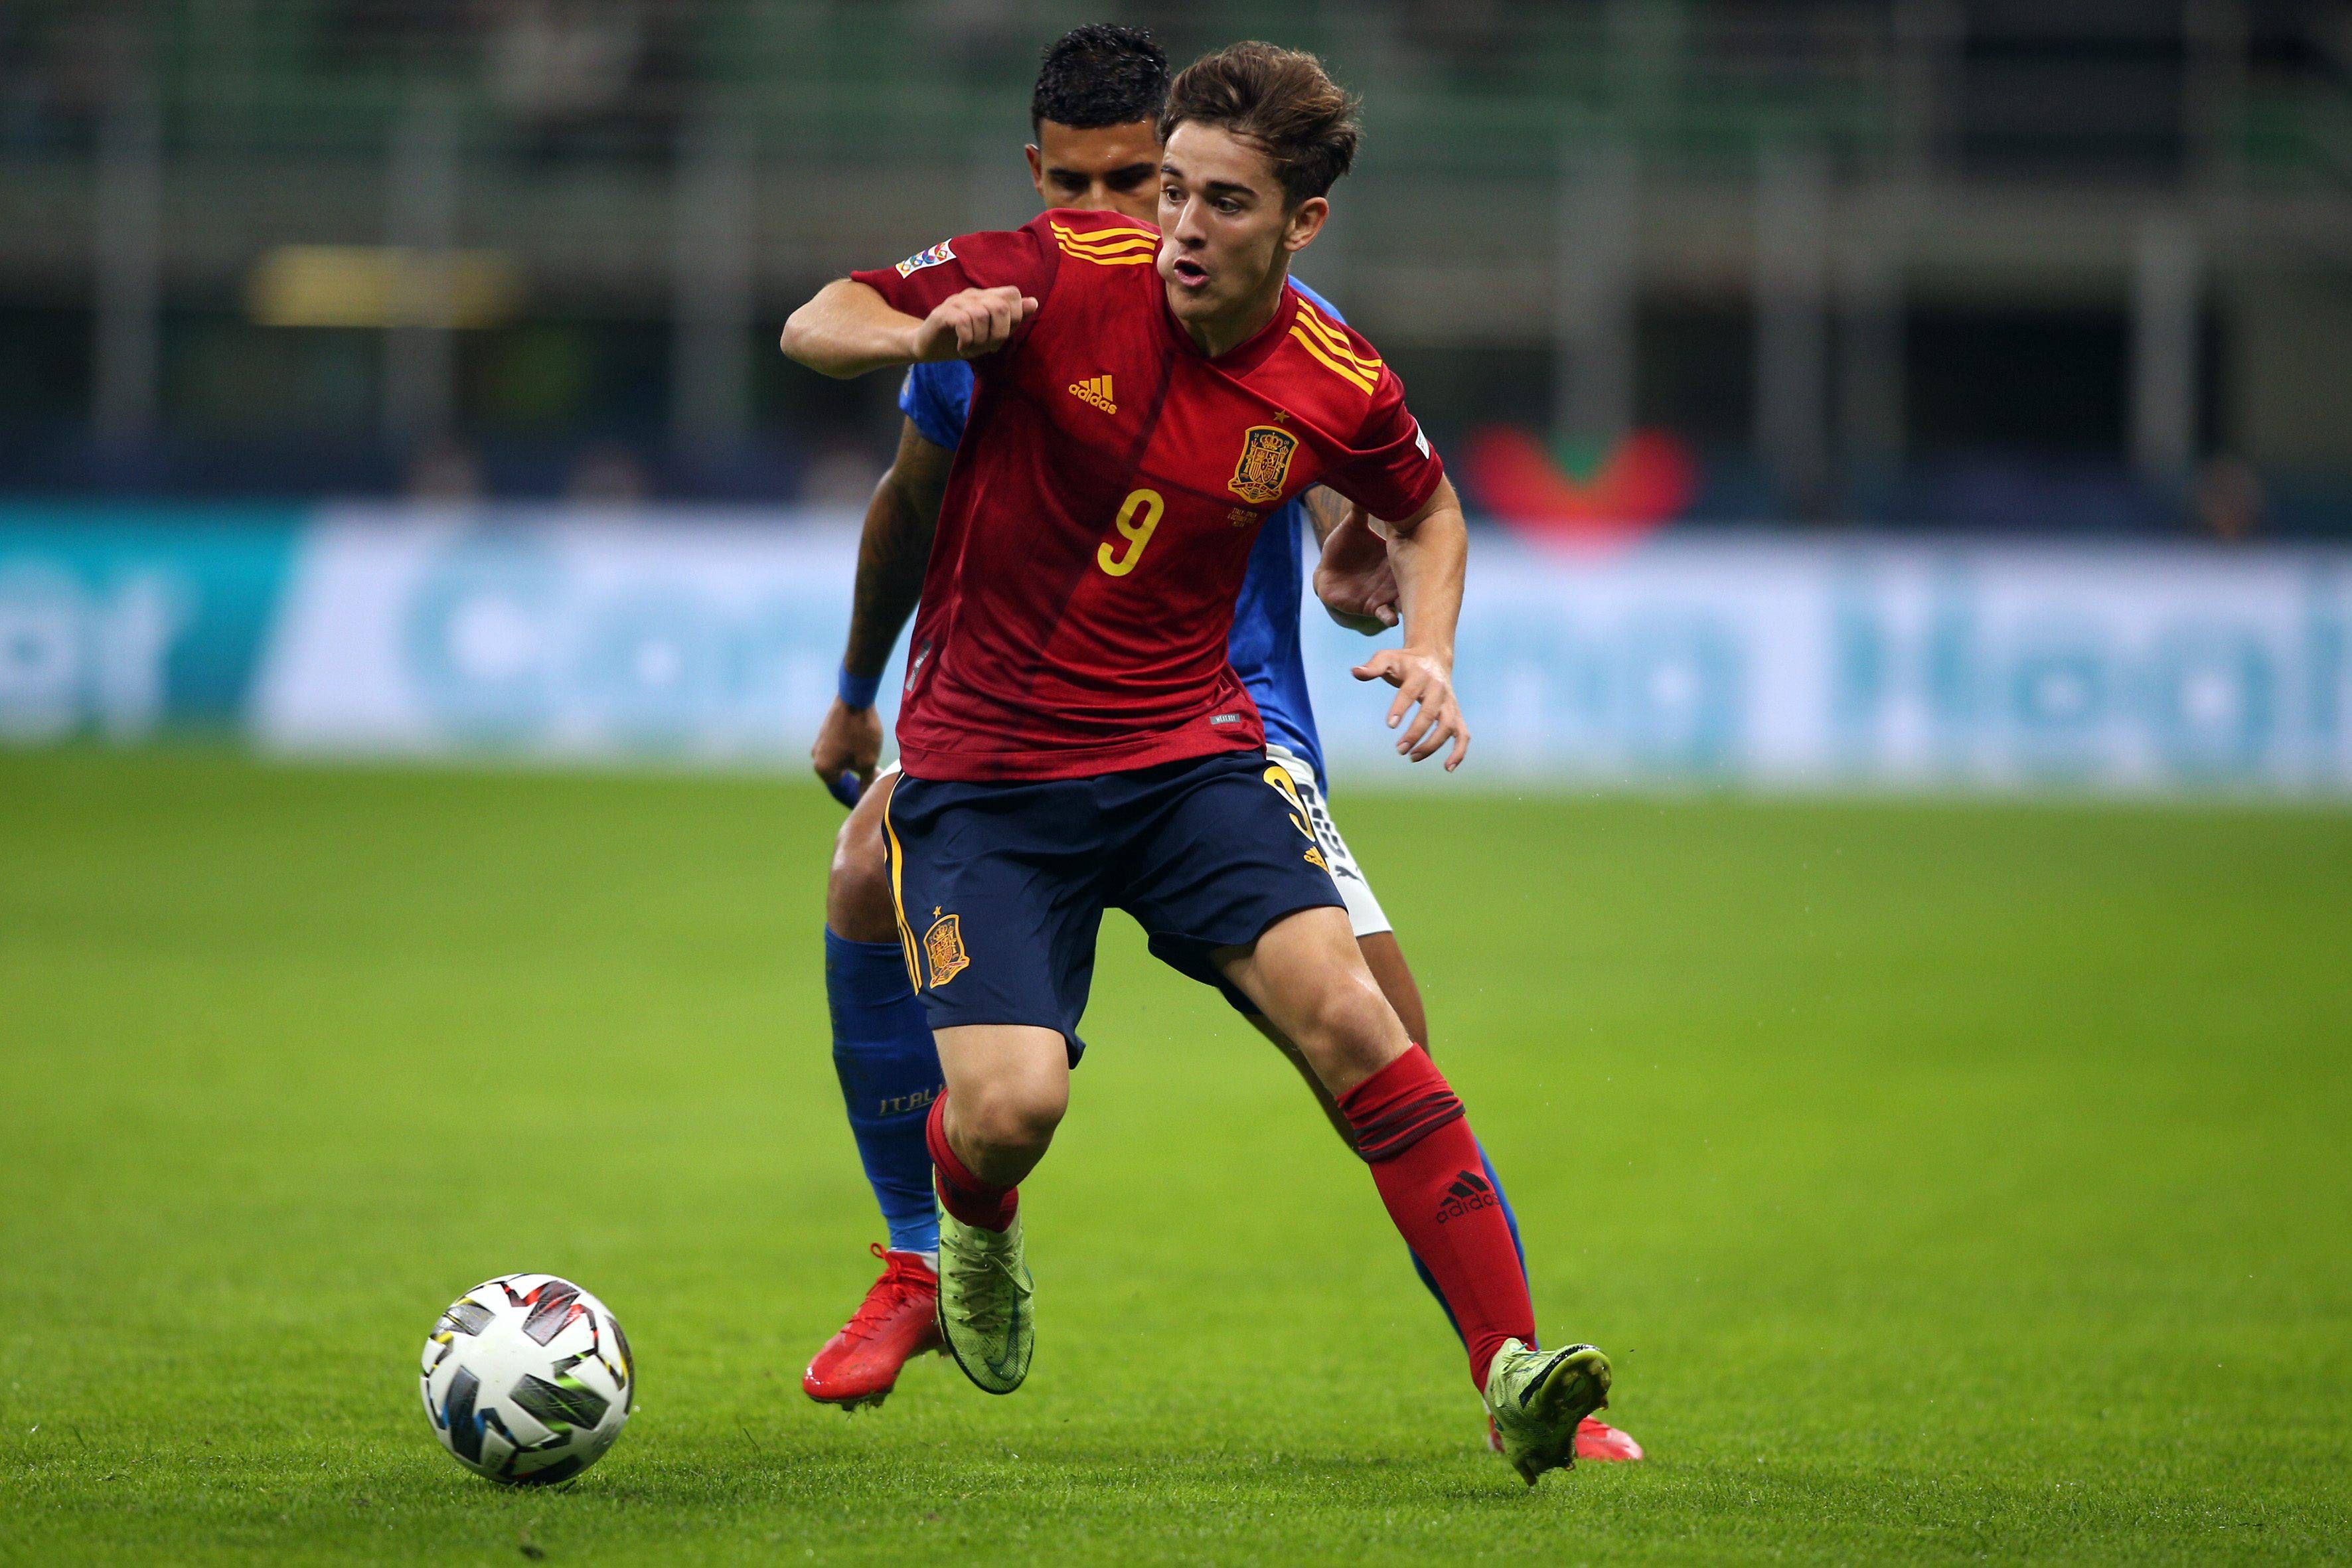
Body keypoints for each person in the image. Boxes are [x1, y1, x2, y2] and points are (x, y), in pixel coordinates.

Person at [787, 37, 1619, 1483]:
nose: (1172, 225)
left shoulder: (1330, 370)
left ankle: (1520, 1374)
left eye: (1215, 202)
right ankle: (952, 1244)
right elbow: (819, 318)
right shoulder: (1045, 278)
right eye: (1165, 190)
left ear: (1299, 224)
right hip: (988, 775)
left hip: (1192, 761)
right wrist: (921, 337)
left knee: (1366, 1027)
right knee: (1007, 1105)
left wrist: (1427, 644)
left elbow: (1423, 513)